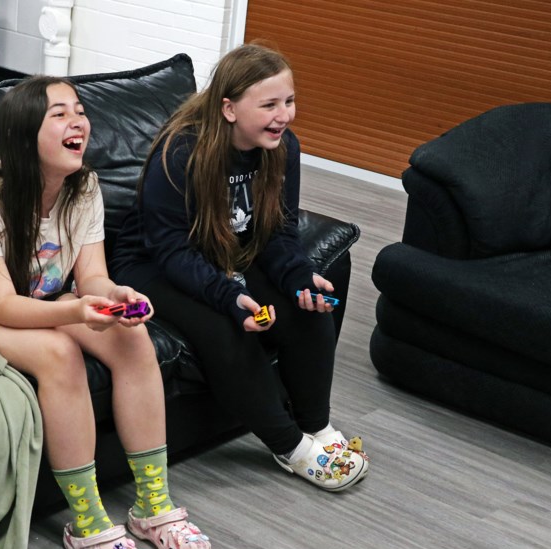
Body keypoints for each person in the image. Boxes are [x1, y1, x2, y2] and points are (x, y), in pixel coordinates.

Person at [0, 76, 212, 549]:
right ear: (24, 133)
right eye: (60, 114)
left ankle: (152, 503)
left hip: (44, 301)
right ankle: (89, 522)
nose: (79, 122)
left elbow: (89, 276)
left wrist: (114, 296)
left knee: (132, 336)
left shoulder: (84, 187)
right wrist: (77, 313)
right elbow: (5, 305)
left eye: (79, 111)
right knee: (57, 352)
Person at [111, 43, 370, 492]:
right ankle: (290, 447)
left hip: (222, 256)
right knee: (224, 328)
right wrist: (228, 295)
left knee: (307, 306)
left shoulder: (283, 148)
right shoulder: (181, 152)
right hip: (151, 265)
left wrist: (296, 277)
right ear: (229, 108)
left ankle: (317, 428)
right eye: (269, 104)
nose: (284, 114)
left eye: (288, 101)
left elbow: (277, 231)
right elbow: (171, 250)